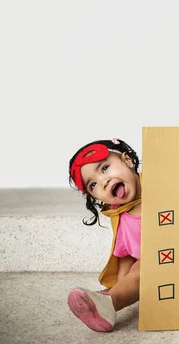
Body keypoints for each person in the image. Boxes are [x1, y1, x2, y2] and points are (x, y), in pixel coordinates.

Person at [66, 138, 142, 332]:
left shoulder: (160, 185)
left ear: (128, 161)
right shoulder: (121, 217)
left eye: (105, 168)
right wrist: (120, 284)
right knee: (140, 271)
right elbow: (126, 255)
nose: (103, 181)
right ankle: (109, 303)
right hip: (156, 263)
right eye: (93, 185)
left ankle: (107, 301)